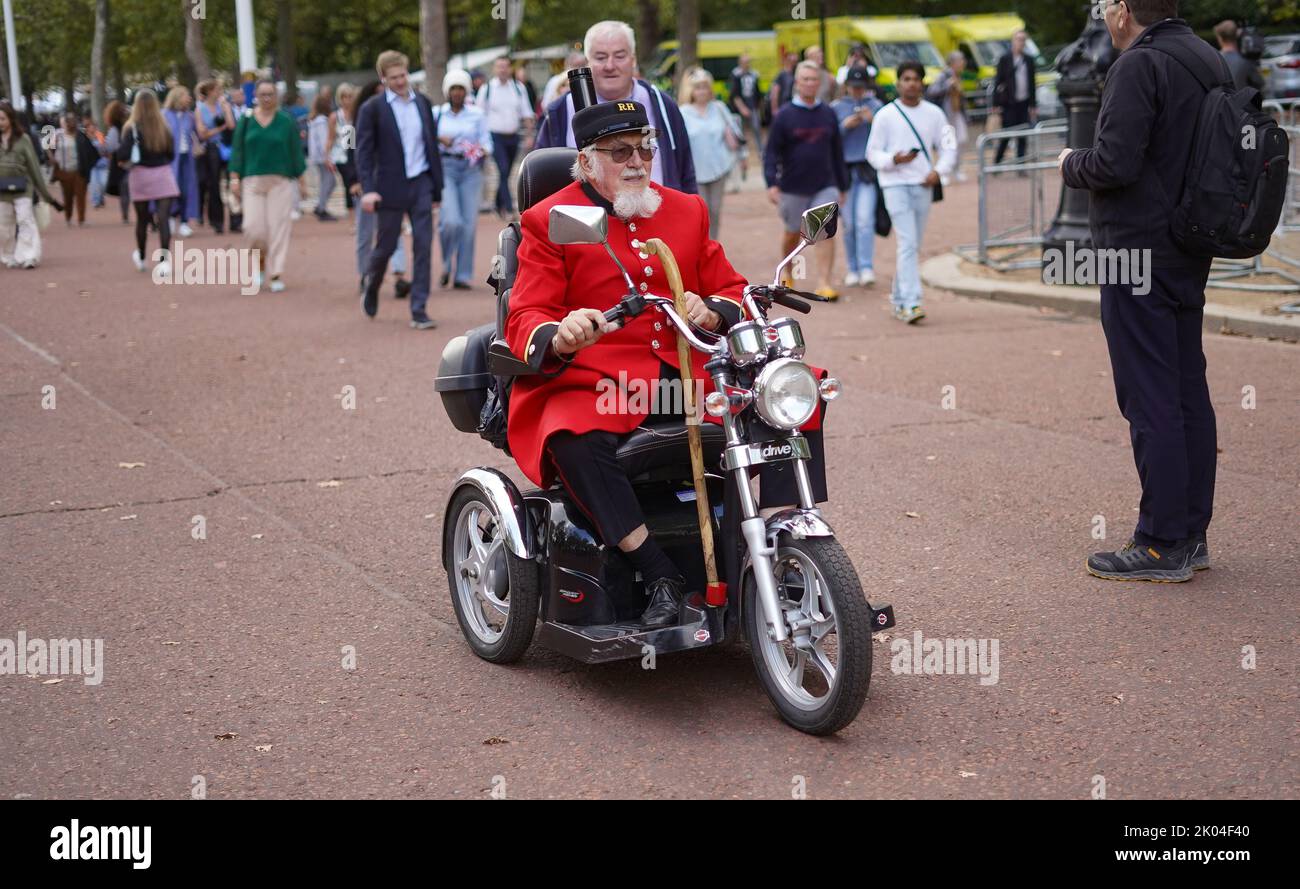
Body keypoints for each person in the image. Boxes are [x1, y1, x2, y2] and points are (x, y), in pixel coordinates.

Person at [506, 98, 829, 627]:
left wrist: (713, 309)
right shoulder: (551, 220)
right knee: (573, 434)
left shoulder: (686, 209)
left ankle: (780, 537)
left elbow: (730, 287)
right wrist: (561, 331)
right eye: (620, 152)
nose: (637, 162)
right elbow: (525, 316)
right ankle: (656, 571)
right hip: (595, 379)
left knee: (792, 391)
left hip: (688, 372)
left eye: (645, 149)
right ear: (586, 161)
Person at [1059, 0, 1223, 582]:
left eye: (1106, 6)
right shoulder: (1206, 58)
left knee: (1148, 395)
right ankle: (1191, 533)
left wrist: (1068, 161)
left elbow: (1113, 163)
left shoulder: (1137, 64)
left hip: (1135, 248)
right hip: (1190, 242)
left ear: (1125, 10)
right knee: (1185, 390)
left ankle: (1159, 541)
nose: (1103, 16)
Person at [534, 20, 697, 194]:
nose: (610, 66)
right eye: (601, 57)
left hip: (656, 215)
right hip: (582, 218)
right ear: (587, 62)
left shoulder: (662, 105)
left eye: (619, 56)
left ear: (633, 60)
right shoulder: (560, 112)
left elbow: (686, 173)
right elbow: (541, 180)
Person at [355, 50, 444, 329]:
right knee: (386, 246)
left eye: (403, 75)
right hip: (389, 187)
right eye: (393, 78)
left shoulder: (424, 104)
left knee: (423, 245)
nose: (400, 81)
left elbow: (431, 147)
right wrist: (368, 189)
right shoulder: (372, 109)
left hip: (421, 184)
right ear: (383, 78)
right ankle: (372, 283)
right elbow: (364, 153)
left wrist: (436, 190)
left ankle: (419, 308)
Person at [865, 61, 956, 324]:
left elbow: (949, 146)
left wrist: (939, 171)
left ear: (923, 83)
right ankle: (913, 301)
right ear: (898, 83)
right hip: (894, 184)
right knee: (907, 241)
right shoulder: (885, 115)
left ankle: (899, 298)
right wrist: (894, 159)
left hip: (923, 184)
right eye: (906, 79)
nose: (911, 83)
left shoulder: (935, 114)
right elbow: (872, 153)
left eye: (916, 79)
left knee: (912, 244)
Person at [764, 60, 848, 300]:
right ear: (797, 83)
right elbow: (771, 153)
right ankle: (788, 271)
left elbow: (837, 152)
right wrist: (772, 182)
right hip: (792, 185)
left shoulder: (828, 113)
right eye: (805, 79)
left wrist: (842, 185)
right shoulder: (784, 116)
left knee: (824, 233)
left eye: (814, 79)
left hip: (825, 184)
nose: (810, 83)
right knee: (793, 233)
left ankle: (824, 282)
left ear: (819, 83)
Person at [228, 79, 307, 293]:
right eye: (262, 94)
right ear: (255, 96)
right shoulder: (246, 120)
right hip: (252, 181)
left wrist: (301, 180)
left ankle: (276, 273)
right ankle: (260, 265)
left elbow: (295, 151)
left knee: (278, 228)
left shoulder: (285, 121)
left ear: (276, 96)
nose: (266, 98)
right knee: (254, 230)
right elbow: (237, 150)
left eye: (270, 94)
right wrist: (234, 178)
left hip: (280, 181)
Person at [350, 80, 411, 301]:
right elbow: (350, 154)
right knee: (365, 234)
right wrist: (354, 180)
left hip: (389, 184)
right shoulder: (354, 124)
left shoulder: (396, 121)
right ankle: (365, 274)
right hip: (365, 185)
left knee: (393, 231)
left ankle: (398, 276)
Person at [436, 70, 491, 290]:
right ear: (447, 91)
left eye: (461, 88)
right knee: (451, 221)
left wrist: (481, 151)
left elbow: (487, 142)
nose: (457, 93)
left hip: (470, 170)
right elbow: (425, 136)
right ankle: (446, 264)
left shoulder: (476, 114)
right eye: (453, 89)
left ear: (466, 91)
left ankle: (462, 274)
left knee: (468, 224)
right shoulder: (437, 114)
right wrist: (440, 139)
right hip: (446, 167)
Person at [118, 89, 180, 275]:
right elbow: (170, 154)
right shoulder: (164, 128)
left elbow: (122, 154)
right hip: (162, 174)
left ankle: (142, 257)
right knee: (163, 220)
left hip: (140, 175)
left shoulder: (131, 128)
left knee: (142, 221)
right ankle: (164, 261)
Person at [832, 66, 882, 288]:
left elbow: (885, 137)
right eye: (854, 87)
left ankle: (866, 266)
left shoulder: (877, 106)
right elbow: (831, 140)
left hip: (867, 170)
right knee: (849, 223)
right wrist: (844, 126)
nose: (858, 91)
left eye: (861, 87)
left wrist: (873, 121)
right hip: (845, 171)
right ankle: (853, 268)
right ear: (847, 86)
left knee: (864, 220)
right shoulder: (837, 108)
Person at [0, 102, 62, 268]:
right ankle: (8, 255)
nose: (0, 122)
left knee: (25, 219)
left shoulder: (24, 139)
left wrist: (46, 195)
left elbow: (34, 167)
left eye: (3, 119)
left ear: (11, 119)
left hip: (23, 188)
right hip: (2, 191)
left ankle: (29, 256)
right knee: (4, 225)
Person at [679, 67, 737, 239]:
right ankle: (701, 243)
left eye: (705, 87)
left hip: (718, 168)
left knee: (715, 210)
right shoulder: (683, 112)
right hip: (695, 171)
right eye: (697, 87)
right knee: (700, 212)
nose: (702, 91)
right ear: (691, 90)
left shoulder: (718, 108)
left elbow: (733, 132)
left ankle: (713, 244)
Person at [477, 55, 534, 220]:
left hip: (513, 136)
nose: (503, 69)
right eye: (499, 66)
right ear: (494, 69)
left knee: (506, 173)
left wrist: (529, 135)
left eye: (505, 66)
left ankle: (497, 203)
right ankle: (509, 209)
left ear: (510, 69)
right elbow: (479, 116)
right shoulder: (487, 89)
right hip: (495, 136)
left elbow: (527, 112)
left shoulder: (518, 88)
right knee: (502, 170)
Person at [194, 79, 235, 234]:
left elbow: (231, 125)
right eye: (218, 90)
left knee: (231, 182)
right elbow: (202, 134)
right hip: (210, 150)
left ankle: (235, 219)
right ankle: (216, 220)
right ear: (210, 91)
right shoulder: (200, 109)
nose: (220, 93)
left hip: (226, 148)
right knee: (213, 185)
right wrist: (220, 128)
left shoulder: (223, 106)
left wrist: (226, 109)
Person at [993, 30, 1037, 165]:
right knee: (1006, 134)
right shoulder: (1005, 59)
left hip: (1023, 103)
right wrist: (995, 104)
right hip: (1009, 103)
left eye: (1023, 40)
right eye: (1018, 39)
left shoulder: (1029, 60)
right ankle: (997, 162)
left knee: (1023, 134)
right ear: (1013, 41)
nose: (1021, 42)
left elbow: (1032, 83)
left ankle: (1020, 163)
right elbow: (998, 82)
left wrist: (1033, 105)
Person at [926, 51, 969, 185]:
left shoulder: (958, 76)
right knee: (947, 143)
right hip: (946, 115)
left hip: (957, 114)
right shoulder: (944, 76)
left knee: (961, 140)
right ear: (953, 63)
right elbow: (932, 91)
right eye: (960, 61)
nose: (963, 63)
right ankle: (944, 172)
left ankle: (956, 169)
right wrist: (947, 85)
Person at [162, 86, 200, 237]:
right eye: (186, 96)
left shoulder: (190, 116)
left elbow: (198, 134)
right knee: (170, 191)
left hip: (186, 158)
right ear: (177, 97)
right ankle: (171, 218)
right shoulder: (164, 115)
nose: (189, 98)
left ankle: (184, 222)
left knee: (185, 190)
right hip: (169, 159)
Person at [49, 112, 95, 227]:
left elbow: (90, 150)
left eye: (73, 121)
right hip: (64, 170)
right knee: (67, 196)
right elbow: (49, 148)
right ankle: (68, 218)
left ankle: (81, 219)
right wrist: (53, 159)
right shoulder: (59, 136)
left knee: (81, 196)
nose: (71, 124)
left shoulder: (81, 136)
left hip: (79, 170)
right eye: (68, 122)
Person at [307, 92, 339, 221]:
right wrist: (328, 157)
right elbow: (324, 140)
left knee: (327, 181)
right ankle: (321, 207)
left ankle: (320, 205)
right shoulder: (322, 121)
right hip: (322, 157)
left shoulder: (314, 120)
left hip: (317, 156)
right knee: (330, 181)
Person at [727, 52, 764, 157]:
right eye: (744, 62)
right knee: (741, 130)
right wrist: (742, 108)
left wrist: (759, 106)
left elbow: (758, 91)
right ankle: (743, 151)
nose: (747, 64)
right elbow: (734, 94)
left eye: (748, 62)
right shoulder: (735, 75)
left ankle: (760, 149)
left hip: (753, 105)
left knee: (756, 127)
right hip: (740, 107)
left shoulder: (754, 74)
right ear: (740, 63)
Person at [102, 100, 132, 223]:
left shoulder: (114, 129)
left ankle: (125, 215)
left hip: (118, 161)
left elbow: (110, 147)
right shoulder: (129, 126)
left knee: (124, 189)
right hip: (130, 159)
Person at [1214, 20, 1264, 92]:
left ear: (1219, 38)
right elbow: (1259, 83)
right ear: (1237, 35)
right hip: (1243, 101)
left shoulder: (1213, 60)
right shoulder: (1246, 60)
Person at [331, 83, 357, 210]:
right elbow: (330, 138)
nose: (347, 100)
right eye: (344, 97)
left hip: (356, 153)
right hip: (341, 156)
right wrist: (327, 157)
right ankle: (352, 215)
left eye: (349, 96)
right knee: (349, 183)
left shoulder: (358, 113)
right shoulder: (335, 117)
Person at [83, 115, 108, 208]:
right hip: (92, 165)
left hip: (102, 163)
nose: (92, 128)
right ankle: (95, 201)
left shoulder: (99, 135)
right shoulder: (85, 138)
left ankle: (101, 198)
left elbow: (104, 148)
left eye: (94, 126)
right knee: (94, 184)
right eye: (90, 126)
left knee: (103, 183)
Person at [769, 51, 799, 115]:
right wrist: (775, 109)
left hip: (795, 106)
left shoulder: (796, 73)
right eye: (792, 61)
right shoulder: (781, 74)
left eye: (795, 61)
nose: (794, 63)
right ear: (786, 61)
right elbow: (774, 93)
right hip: (784, 106)